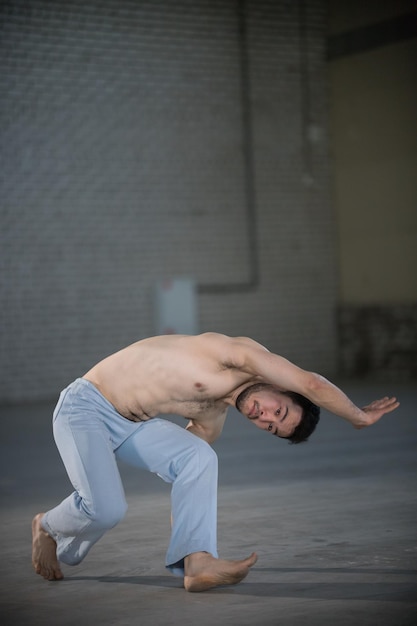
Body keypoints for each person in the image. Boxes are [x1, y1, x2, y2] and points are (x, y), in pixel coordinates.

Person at [31, 332, 399, 591]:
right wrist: (358, 416)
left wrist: (188, 536)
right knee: (107, 509)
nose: (265, 417)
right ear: (280, 385)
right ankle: (47, 526)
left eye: (271, 427)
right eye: (279, 410)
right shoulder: (234, 355)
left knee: (200, 455)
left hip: (131, 424)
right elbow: (313, 384)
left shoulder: (212, 413)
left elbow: (188, 483)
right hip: (86, 406)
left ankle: (198, 562)